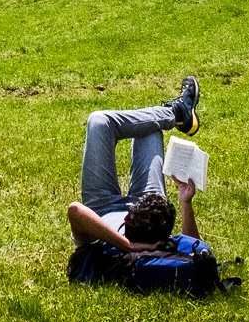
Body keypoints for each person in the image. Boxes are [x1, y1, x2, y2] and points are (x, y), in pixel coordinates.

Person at [66, 75, 202, 253]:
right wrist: (185, 203)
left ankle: (176, 112)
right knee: (150, 129)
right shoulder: (159, 250)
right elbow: (196, 251)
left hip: (101, 207)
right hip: (151, 216)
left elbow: (75, 210)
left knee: (99, 121)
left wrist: (127, 245)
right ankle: (176, 112)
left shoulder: (113, 254)